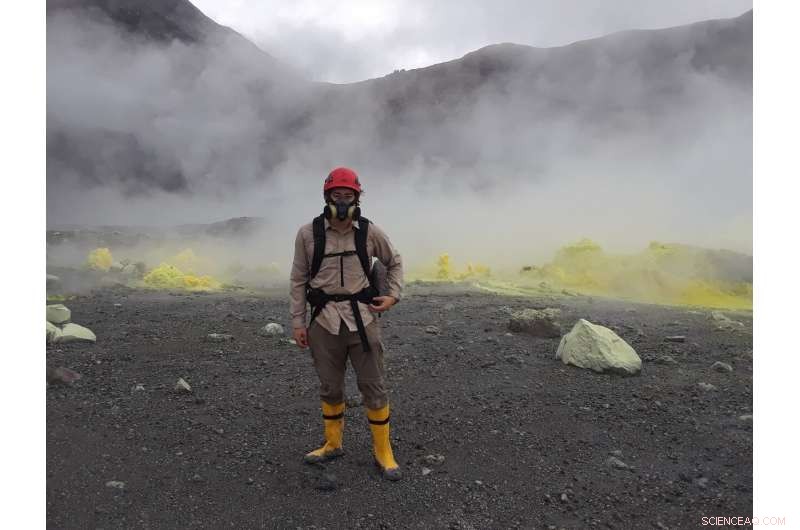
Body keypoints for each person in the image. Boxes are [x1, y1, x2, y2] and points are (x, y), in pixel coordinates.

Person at [289, 167, 404, 481]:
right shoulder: (307, 234)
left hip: (362, 320)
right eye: (336, 195)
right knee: (330, 385)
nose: (342, 201)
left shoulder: (369, 231)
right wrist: (299, 322)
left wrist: (392, 296)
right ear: (327, 197)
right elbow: (298, 280)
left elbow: (394, 261)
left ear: (357, 197)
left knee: (373, 385)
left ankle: (383, 451)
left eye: (348, 195)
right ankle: (333, 443)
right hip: (323, 323)